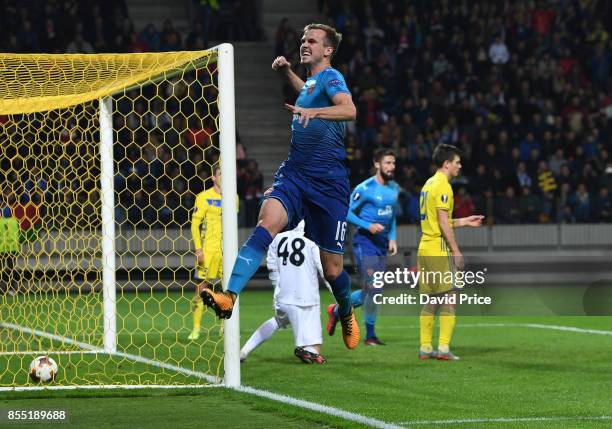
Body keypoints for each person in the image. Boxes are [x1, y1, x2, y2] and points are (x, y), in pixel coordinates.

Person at [200, 23, 360, 349]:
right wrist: (288, 73)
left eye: (311, 41)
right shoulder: (314, 82)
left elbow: (349, 109)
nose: (304, 44)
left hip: (329, 185)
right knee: (267, 222)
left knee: (332, 270)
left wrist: (313, 112)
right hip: (294, 175)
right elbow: (308, 93)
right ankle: (229, 296)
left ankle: (344, 309)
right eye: (303, 40)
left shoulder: (332, 77)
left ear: (327, 50)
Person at [326, 148, 399, 346]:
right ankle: (370, 336)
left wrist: (392, 238)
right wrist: (368, 225)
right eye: (387, 163)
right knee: (374, 288)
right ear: (377, 164)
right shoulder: (365, 188)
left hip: (381, 246)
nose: (391, 167)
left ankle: (336, 310)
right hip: (364, 243)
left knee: (373, 290)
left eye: (393, 163)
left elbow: (392, 217)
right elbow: (346, 212)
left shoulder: (394, 189)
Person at [418, 144, 484, 360]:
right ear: (447, 164)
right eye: (457, 162)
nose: (460, 166)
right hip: (438, 247)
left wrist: (464, 221)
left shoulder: (429, 184)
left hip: (425, 245)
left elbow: (439, 220)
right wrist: (456, 251)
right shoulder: (444, 186)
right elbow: (443, 223)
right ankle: (444, 349)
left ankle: (426, 347)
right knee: (451, 297)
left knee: (432, 299)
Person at [240, 221, 329, 364]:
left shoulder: (277, 239)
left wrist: (278, 290)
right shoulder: (312, 241)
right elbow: (325, 271)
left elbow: (272, 268)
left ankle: (244, 351)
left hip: (284, 297)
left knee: (277, 321)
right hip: (306, 299)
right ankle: (307, 351)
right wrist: (337, 294)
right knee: (315, 343)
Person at [188, 165, 238, 340]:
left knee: (229, 290)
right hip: (207, 251)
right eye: (220, 174)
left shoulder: (234, 198)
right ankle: (196, 328)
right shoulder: (203, 197)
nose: (224, 177)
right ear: (213, 178)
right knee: (201, 289)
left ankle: (225, 327)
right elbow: (195, 224)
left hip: (226, 252)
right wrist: (198, 248)